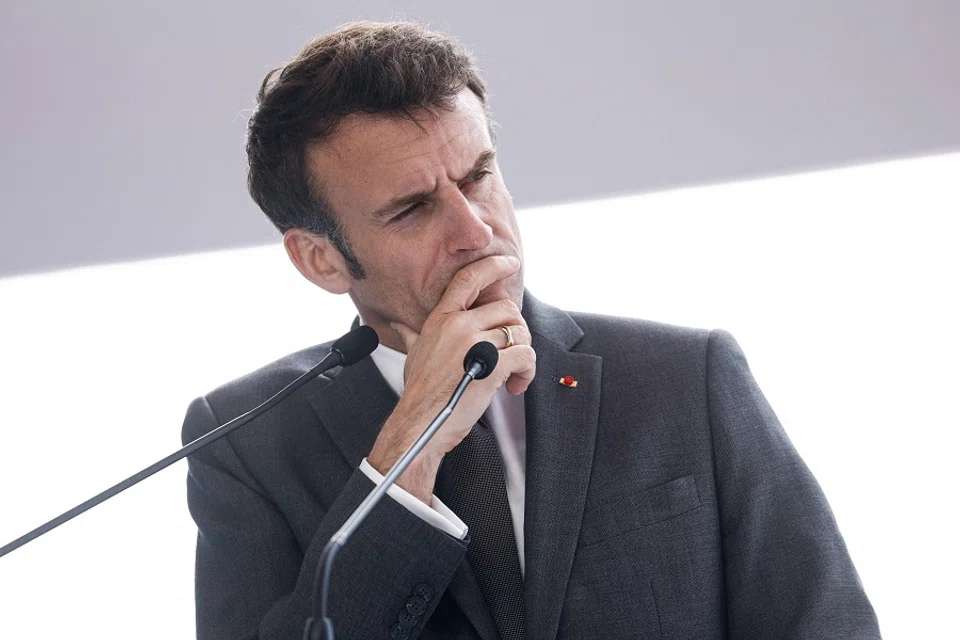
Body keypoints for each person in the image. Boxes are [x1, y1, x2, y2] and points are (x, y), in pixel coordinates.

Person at [182, 20, 881, 640]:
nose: (475, 229)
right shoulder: (243, 441)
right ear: (322, 259)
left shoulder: (686, 378)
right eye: (413, 210)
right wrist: (409, 448)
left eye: (480, 175)